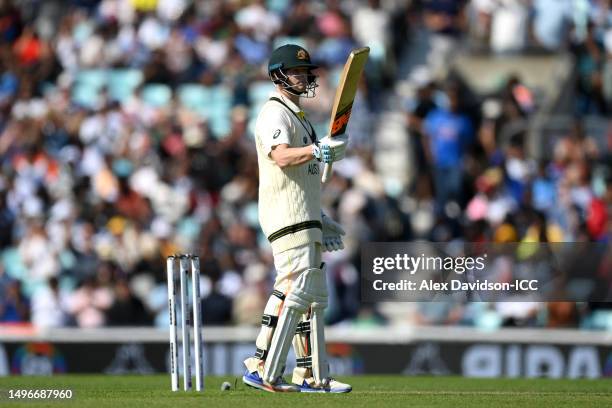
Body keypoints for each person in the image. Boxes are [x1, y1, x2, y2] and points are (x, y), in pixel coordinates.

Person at [242, 44, 352, 393]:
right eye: (297, 72)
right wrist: (316, 149)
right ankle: (260, 365)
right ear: (278, 76)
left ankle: (312, 376)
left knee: (315, 299)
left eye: (306, 72)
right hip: (285, 216)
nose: (304, 77)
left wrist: (322, 218)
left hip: (305, 216)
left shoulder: (301, 119)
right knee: (295, 287)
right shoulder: (274, 113)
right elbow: (282, 157)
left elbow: (311, 178)